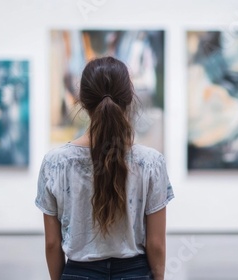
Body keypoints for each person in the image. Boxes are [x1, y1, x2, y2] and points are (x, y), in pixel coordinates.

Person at [35, 56, 174, 280]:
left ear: (82, 100)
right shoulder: (150, 163)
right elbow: (156, 244)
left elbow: (52, 244)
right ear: (129, 99)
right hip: (134, 273)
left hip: (78, 273)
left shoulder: (55, 163)